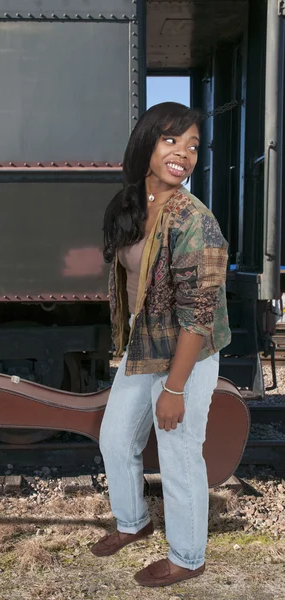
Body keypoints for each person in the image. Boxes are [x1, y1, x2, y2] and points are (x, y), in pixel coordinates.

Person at [91, 102, 231, 588]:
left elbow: (200, 315)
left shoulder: (196, 222)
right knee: (115, 437)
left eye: (193, 145)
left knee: (179, 451)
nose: (184, 153)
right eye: (172, 140)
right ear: (146, 143)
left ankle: (188, 557)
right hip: (145, 342)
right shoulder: (132, 204)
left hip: (186, 356)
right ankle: (134, 522)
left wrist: (174, 389)